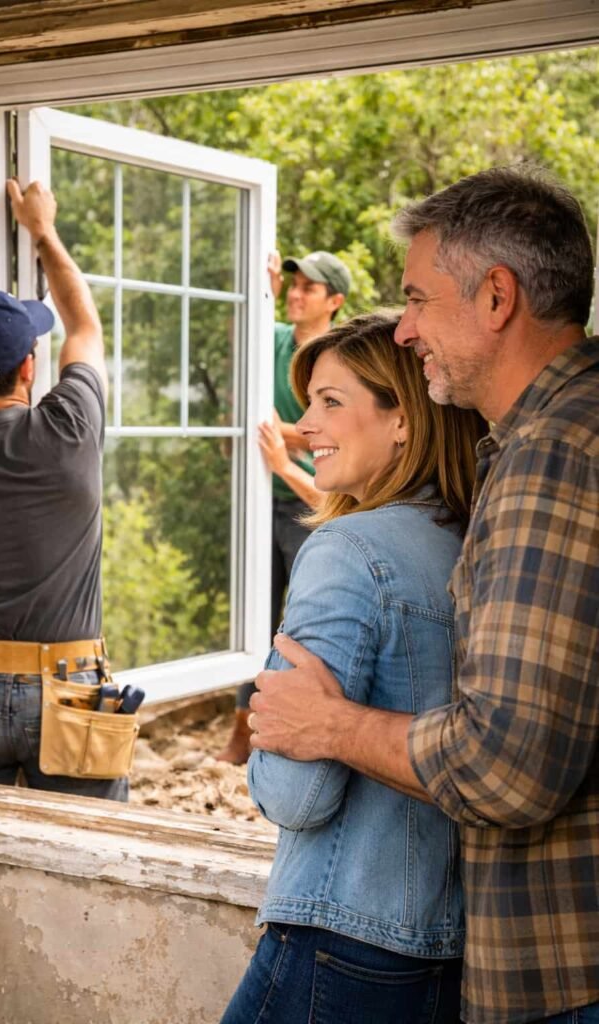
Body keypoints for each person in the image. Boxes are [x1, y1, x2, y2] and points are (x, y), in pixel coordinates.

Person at [248, 168, 598, 1024]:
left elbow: (506, 768)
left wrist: (322, 725)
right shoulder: (501, 480)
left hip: (531, 965)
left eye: (415, 298)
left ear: (496, 298)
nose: (405, 330)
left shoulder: (552, 454)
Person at [221, 312, 487, 1024]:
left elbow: (296, 794)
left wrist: (263, 728)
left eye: (330, 401)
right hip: (448, 949)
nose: (304, 426)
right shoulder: (471, 541)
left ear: (402, 419)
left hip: (340, 936)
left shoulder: (348, 549)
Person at [0, 178, 135, 801]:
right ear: (29, 367)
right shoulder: (71, 427)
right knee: (87, 870)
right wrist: (42, 230)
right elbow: (84, 324)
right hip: (72, 692)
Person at [217, 249, 350, 764]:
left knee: (305, 622)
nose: (296, 294)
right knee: (254, 618)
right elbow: (240, 345)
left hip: (312, 503)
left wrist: (281, 438)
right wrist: (261, 298)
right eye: (292, 285)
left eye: (308, 288)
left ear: (334, 302)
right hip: (261, 496)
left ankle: (305, 733)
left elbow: (331, 432)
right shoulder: (271, 340)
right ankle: (240, 735)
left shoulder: (334, 359)